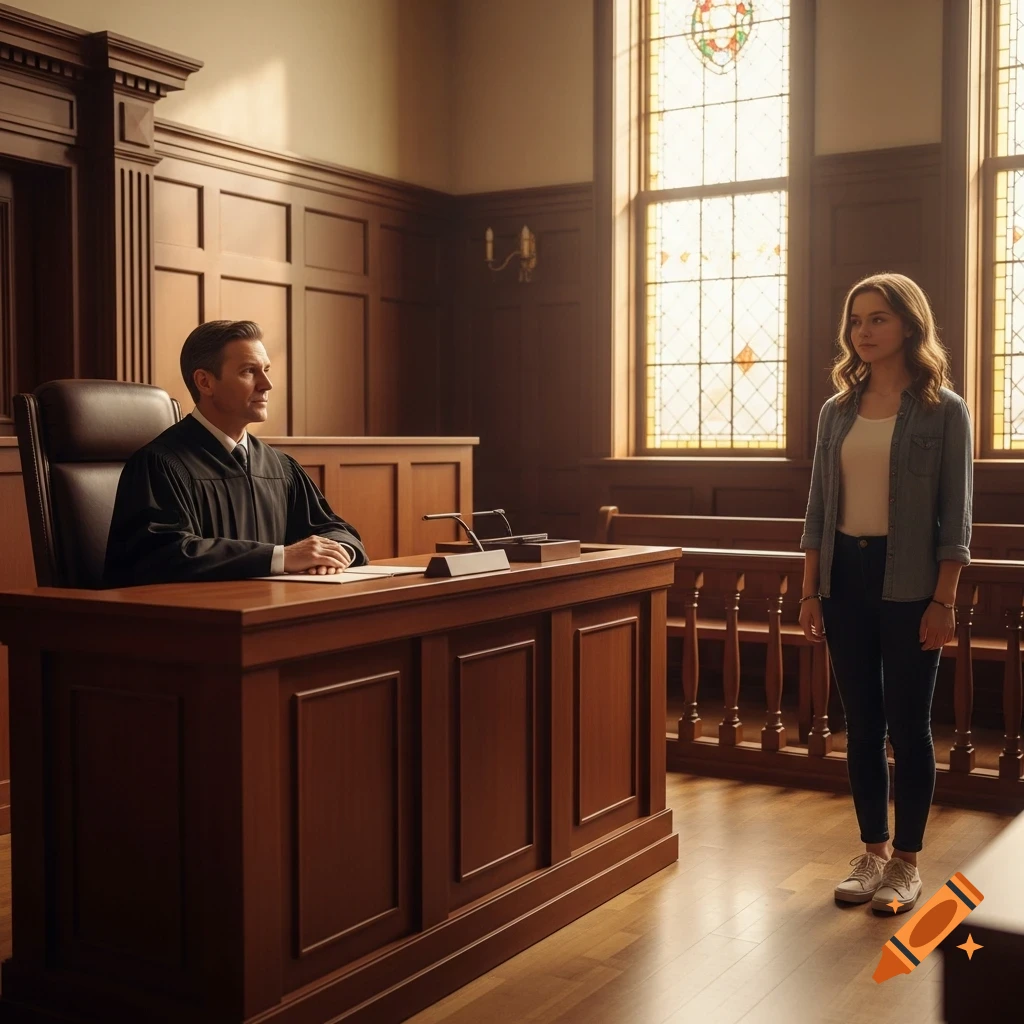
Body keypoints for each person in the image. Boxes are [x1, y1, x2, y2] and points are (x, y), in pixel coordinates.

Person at [799, 273, 973, 915]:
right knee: (863, 726)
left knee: (909, 725)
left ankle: (906, 863)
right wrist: (811, 591)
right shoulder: (836, 411)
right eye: (856, 321)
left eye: (877, 319)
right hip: (844, 578)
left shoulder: (943, 410)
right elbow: (818, 507)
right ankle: (871, 854)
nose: (863, 332)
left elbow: (954, 520)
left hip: (912, 585)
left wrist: (943, 601)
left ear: (908, 324)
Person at [104, 320, 367, 586]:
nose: (267, 384)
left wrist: (335, 554)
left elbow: (336, 530)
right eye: (249, 371)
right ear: (205, 382)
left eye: (266, 369)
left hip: (269, 614)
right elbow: (163, 555)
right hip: (196, 622)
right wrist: (280, 557)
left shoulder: (279, 467)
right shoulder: (160, 465)